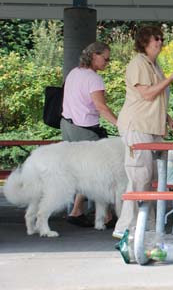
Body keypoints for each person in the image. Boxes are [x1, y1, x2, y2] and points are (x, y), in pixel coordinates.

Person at [112, 26, 173, 239]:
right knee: (139, 177)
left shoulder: (154, 65)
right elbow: (147, 95)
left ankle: (148, 226)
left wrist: (167, 117)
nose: (160, 42)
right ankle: (125, 228)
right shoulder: (138, 63)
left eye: (162, 38)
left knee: (152, 178)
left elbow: (158, 98)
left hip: (152, 127)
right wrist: (170, 79)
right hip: (137, 127)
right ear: (144, 41)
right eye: (156, 39)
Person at [61, 41, 118, 228]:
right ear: (94, 55)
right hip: (85, 129)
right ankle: (105, 215)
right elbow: (101, 107)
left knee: (84, 171)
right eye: (105, 58)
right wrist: (121, 124)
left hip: (67, 126)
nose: (107, 63)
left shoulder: (73, 73)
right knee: (102, 171)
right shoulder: (94, 78)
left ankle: (78, 210)